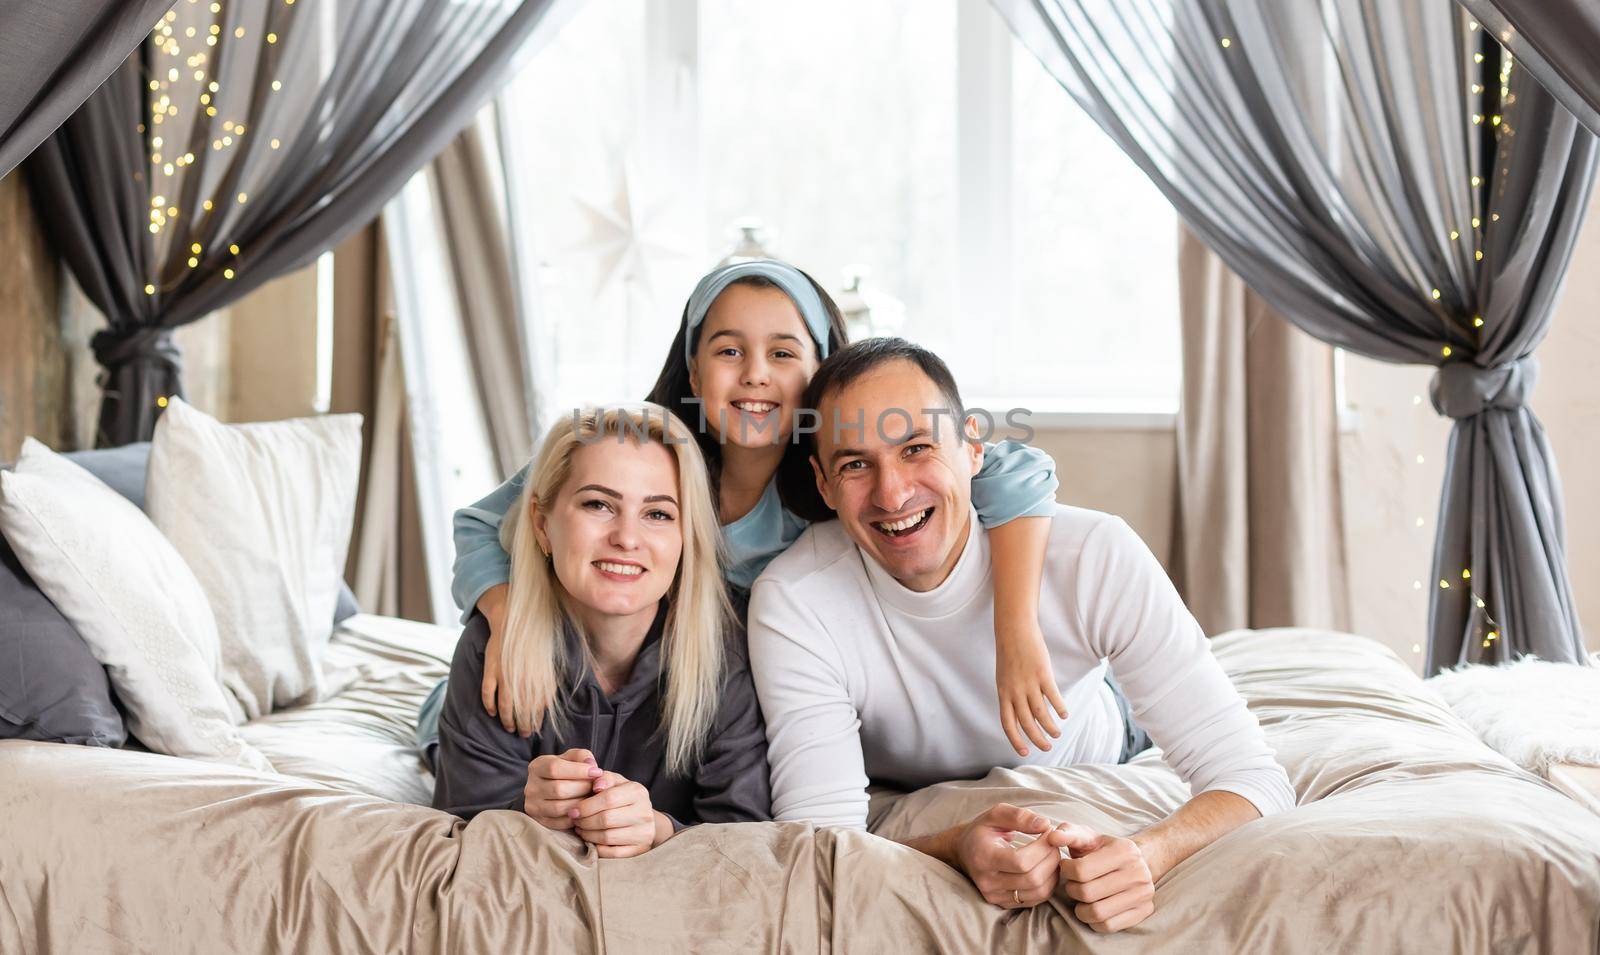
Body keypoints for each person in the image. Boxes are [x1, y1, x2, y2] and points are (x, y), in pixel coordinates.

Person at [747, 338, 1296, 932]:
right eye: (856, 464)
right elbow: (818, 842)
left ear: (974, 448)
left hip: (1098, 735)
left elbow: (1255, 778)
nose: (892, 493)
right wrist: (955, 845)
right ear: (824, 486)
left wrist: (1148, 853)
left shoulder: (1092, 553)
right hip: (908, 776)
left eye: (917, 449)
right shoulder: (795, 601)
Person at [449, 259, 1078, 757]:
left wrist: (1015, 631)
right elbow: (481, 524)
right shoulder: (635, 455)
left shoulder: (852, 479)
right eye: (728, 351)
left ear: (822, 370)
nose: (754, 374)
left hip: (733, 728)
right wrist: (508, 625)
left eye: (782, 353)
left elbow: (1018, 470)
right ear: (693, 374)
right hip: (597, 709)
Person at [419, 405, 770, 854]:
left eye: (658, 514)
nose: (626, 537)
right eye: (598, 504)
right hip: (453, 712)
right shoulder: (492, 644)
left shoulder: (730, 654)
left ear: (687, 537)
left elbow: (746, 837)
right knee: (436, 729)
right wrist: (525, 812)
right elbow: (462, 823)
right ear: (543, 525)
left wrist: (661, 829)